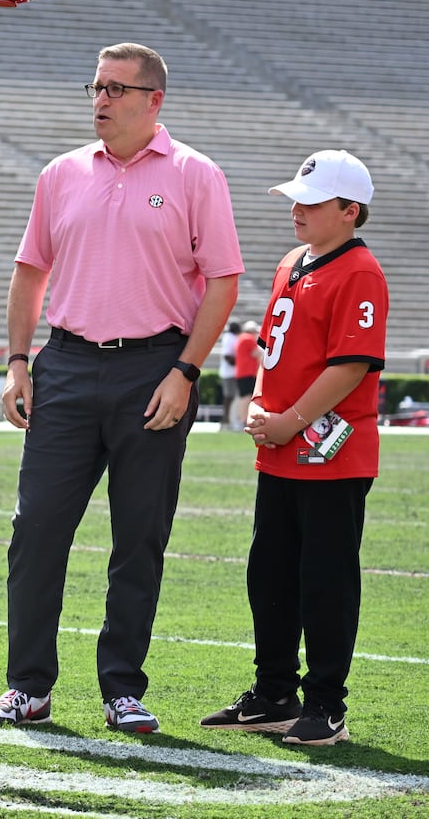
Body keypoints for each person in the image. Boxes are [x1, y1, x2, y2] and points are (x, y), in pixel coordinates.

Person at [0, 42, 242, 734]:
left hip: (153, 370)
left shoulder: (196, 175)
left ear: (155, 101)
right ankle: (27, 688)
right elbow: (31, 271)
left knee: (139, 536)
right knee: (35, 532)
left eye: (118, 88)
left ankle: (122, 687)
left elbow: (222, 281)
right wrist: (17, 362)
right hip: (63, 366)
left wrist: (185, 372)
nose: (102, 99)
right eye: (95, 86)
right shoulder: (60, 174)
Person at [200, 150, 387, 747]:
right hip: (281, 448)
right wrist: (259, 403)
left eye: (312, 202)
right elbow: (271, 348)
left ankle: (326, 703)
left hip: (332, 455)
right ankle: (274, 691)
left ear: (349, 211)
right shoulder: (292, 262)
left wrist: (293, 418)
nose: (297, 211)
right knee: (270, 572)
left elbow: (353, 363)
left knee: (325, 579)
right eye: (297, 200)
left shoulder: (359, 272)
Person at [233, 319, 261, 429]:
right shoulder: (248, 339)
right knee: (246, 397)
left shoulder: (241, 338)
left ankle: (241, 420)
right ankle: (243, 420)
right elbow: (257, 353)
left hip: (242, 372)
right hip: (247, 373)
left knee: (244, 397)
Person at [218, 320, 241, 430]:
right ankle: (226, 421)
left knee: (231, 398)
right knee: (230, 397)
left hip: (231, 372)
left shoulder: (230, 337)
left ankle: (228, 420)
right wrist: (241, 361)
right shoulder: (229, 338)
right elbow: (227, 356)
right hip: (229, 372)